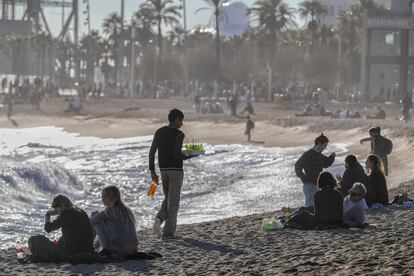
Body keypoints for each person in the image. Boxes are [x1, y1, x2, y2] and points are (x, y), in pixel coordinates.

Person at [149, 109, 196, 239]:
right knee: (173, 203)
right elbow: (177, 154)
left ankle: (159, 218)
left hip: (163, 170)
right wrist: (190, 155)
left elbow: (152, 152)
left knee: (168, 197)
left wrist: (152, 171)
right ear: (176, 119)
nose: (182, 123)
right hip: (176, 170)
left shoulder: (159, 132)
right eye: (181, 120)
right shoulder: (179, 134)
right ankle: (168, 233)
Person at [28, 194, 94, 262]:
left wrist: (48, 214)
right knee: (63, 237)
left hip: (73, 254)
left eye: (55, 207)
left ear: (60, 206)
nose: (55, 210)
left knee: (33, 240)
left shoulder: (66, 214)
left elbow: (48, 228)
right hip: (88, 250)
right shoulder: (81, 211)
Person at [90, 186, 139, 257]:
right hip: (133, 248)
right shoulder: (126, 209)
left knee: (95, 217)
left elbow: (91, 221)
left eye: (106, 196)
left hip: (119, 250)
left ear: (113, 197)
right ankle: (94, 248)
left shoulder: (110, 210)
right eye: (102, 196)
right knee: (99, 219)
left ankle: (91, 248)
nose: (102, 199)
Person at [295, 133, 336, 208]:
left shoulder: (319, 155)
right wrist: (303, 178)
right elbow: (297, 166)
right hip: (309, 185)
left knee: (317, 206)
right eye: (325, 145)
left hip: (318, 185)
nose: (325, 148)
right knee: (310, 207)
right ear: (320, 143)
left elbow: (326, 163)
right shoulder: (308, 154)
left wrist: (332, 157)